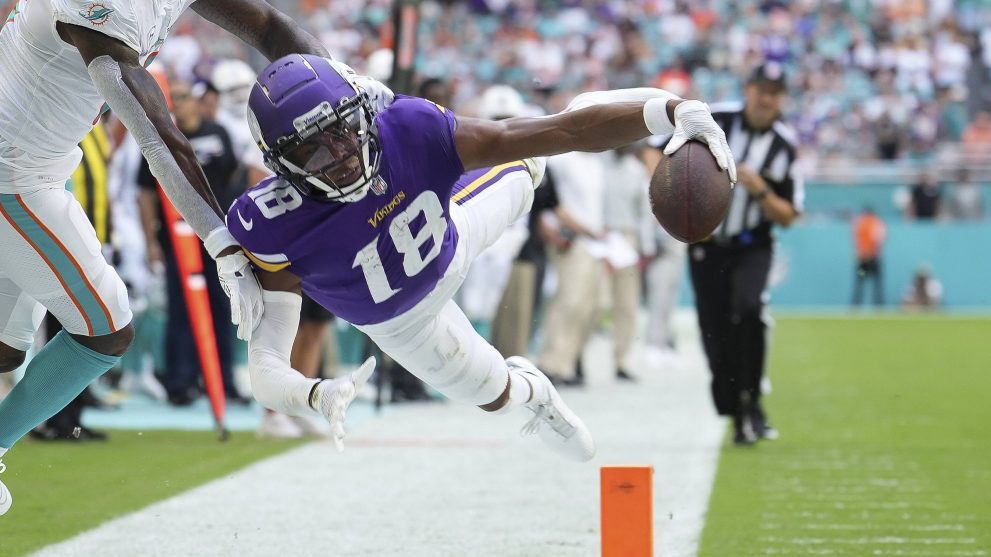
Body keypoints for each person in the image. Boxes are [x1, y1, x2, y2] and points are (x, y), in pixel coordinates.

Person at [229, 54, 735, 462]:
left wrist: (673, 111)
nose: (339, 155)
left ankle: (611, 105)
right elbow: (265, 367)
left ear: (361, 111)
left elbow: (566, 134)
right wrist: (314, 395)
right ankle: (533, 392)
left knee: (540, 148)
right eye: (312, 151)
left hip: (458, 228)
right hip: (404, 326)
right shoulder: (272, 223)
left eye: (341, 130)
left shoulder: (408, 127)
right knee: (494, 397)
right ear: (278, 165)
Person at [0, 0, 331, 516]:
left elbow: (270, 26)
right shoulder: (103, 10)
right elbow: (158, 138)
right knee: (105, 329)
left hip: (37, 167)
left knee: (5, 349)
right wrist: (221, 245)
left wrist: (355, 93)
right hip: (13, 176)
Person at [687, 62, 803, 446]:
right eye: (760, 89)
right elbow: (656, 153)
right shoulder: (714, 120)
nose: (765, 98)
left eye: (774, 92)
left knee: (749, 310)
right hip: (707, 245)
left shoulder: (785, 146)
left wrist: (760, 190)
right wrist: (677, 199)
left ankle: (751, 402)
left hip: (753, 244)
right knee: (715, 332)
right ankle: (735, 407)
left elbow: (789, 216)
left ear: (781, 99)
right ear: (748, 89)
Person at [136, 81, 246, 407]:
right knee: (181, 312)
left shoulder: (219, 133)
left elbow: (234, 180)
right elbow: (145, 192)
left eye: (183, 98)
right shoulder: (161, 140)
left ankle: (223, 382)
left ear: (198, 102)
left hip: (218, 239)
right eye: (175, 99)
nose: (179, 105)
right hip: (178, 242)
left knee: (221, 308)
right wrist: (150, 241)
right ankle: (180, 382)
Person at [851, 206, 886, 308]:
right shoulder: (877, 223)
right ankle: (879, 307)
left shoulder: (860, 223)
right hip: (873, 260)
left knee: (860, 282)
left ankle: (855, 306)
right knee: (877, 284)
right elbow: (879, 240)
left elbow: (855, 241)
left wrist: (861, 253)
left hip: (863, 261)